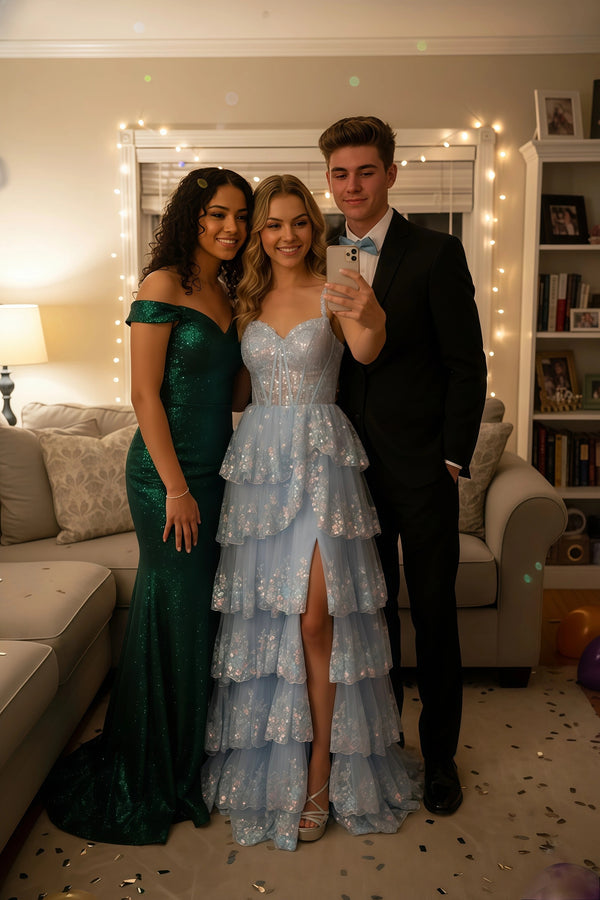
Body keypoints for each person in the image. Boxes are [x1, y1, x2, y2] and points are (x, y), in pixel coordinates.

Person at [202, 174, 421, 851]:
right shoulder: (243, 299)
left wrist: (372, 312)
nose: (287, 235)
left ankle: (322, 770)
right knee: (271, 621)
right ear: (259, 234)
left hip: (323, 462)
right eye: (273, 224)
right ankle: (276, 765)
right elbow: (237, 386)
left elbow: (364, 351)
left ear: (314, 225)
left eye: (299, 221)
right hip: (260, 467)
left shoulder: (338, 288)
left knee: (318, 619)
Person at [44, 167, 254, 844]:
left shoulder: (227, 292)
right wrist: (177, 488)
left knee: (202, 613)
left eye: (241, 216)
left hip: (218, 474)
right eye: (217, 214)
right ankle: (154, 764)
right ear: (191, 216)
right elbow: (143, 397)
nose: (231, 227)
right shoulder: (161, 286)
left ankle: (193, 751)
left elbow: (238, 394)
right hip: (168, 478)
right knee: (175, 607)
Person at [318, 116, 487, 816]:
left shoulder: (436, 252)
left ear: (391, 173)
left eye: (364, 171)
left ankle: (440, 758)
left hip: (423, 472)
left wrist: (451, 459)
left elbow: (464, 365)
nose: (351, 186)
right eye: (339, 174)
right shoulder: (319, 252)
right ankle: (384, 744)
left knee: (436, 616)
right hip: (348, 472)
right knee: (371, 613)